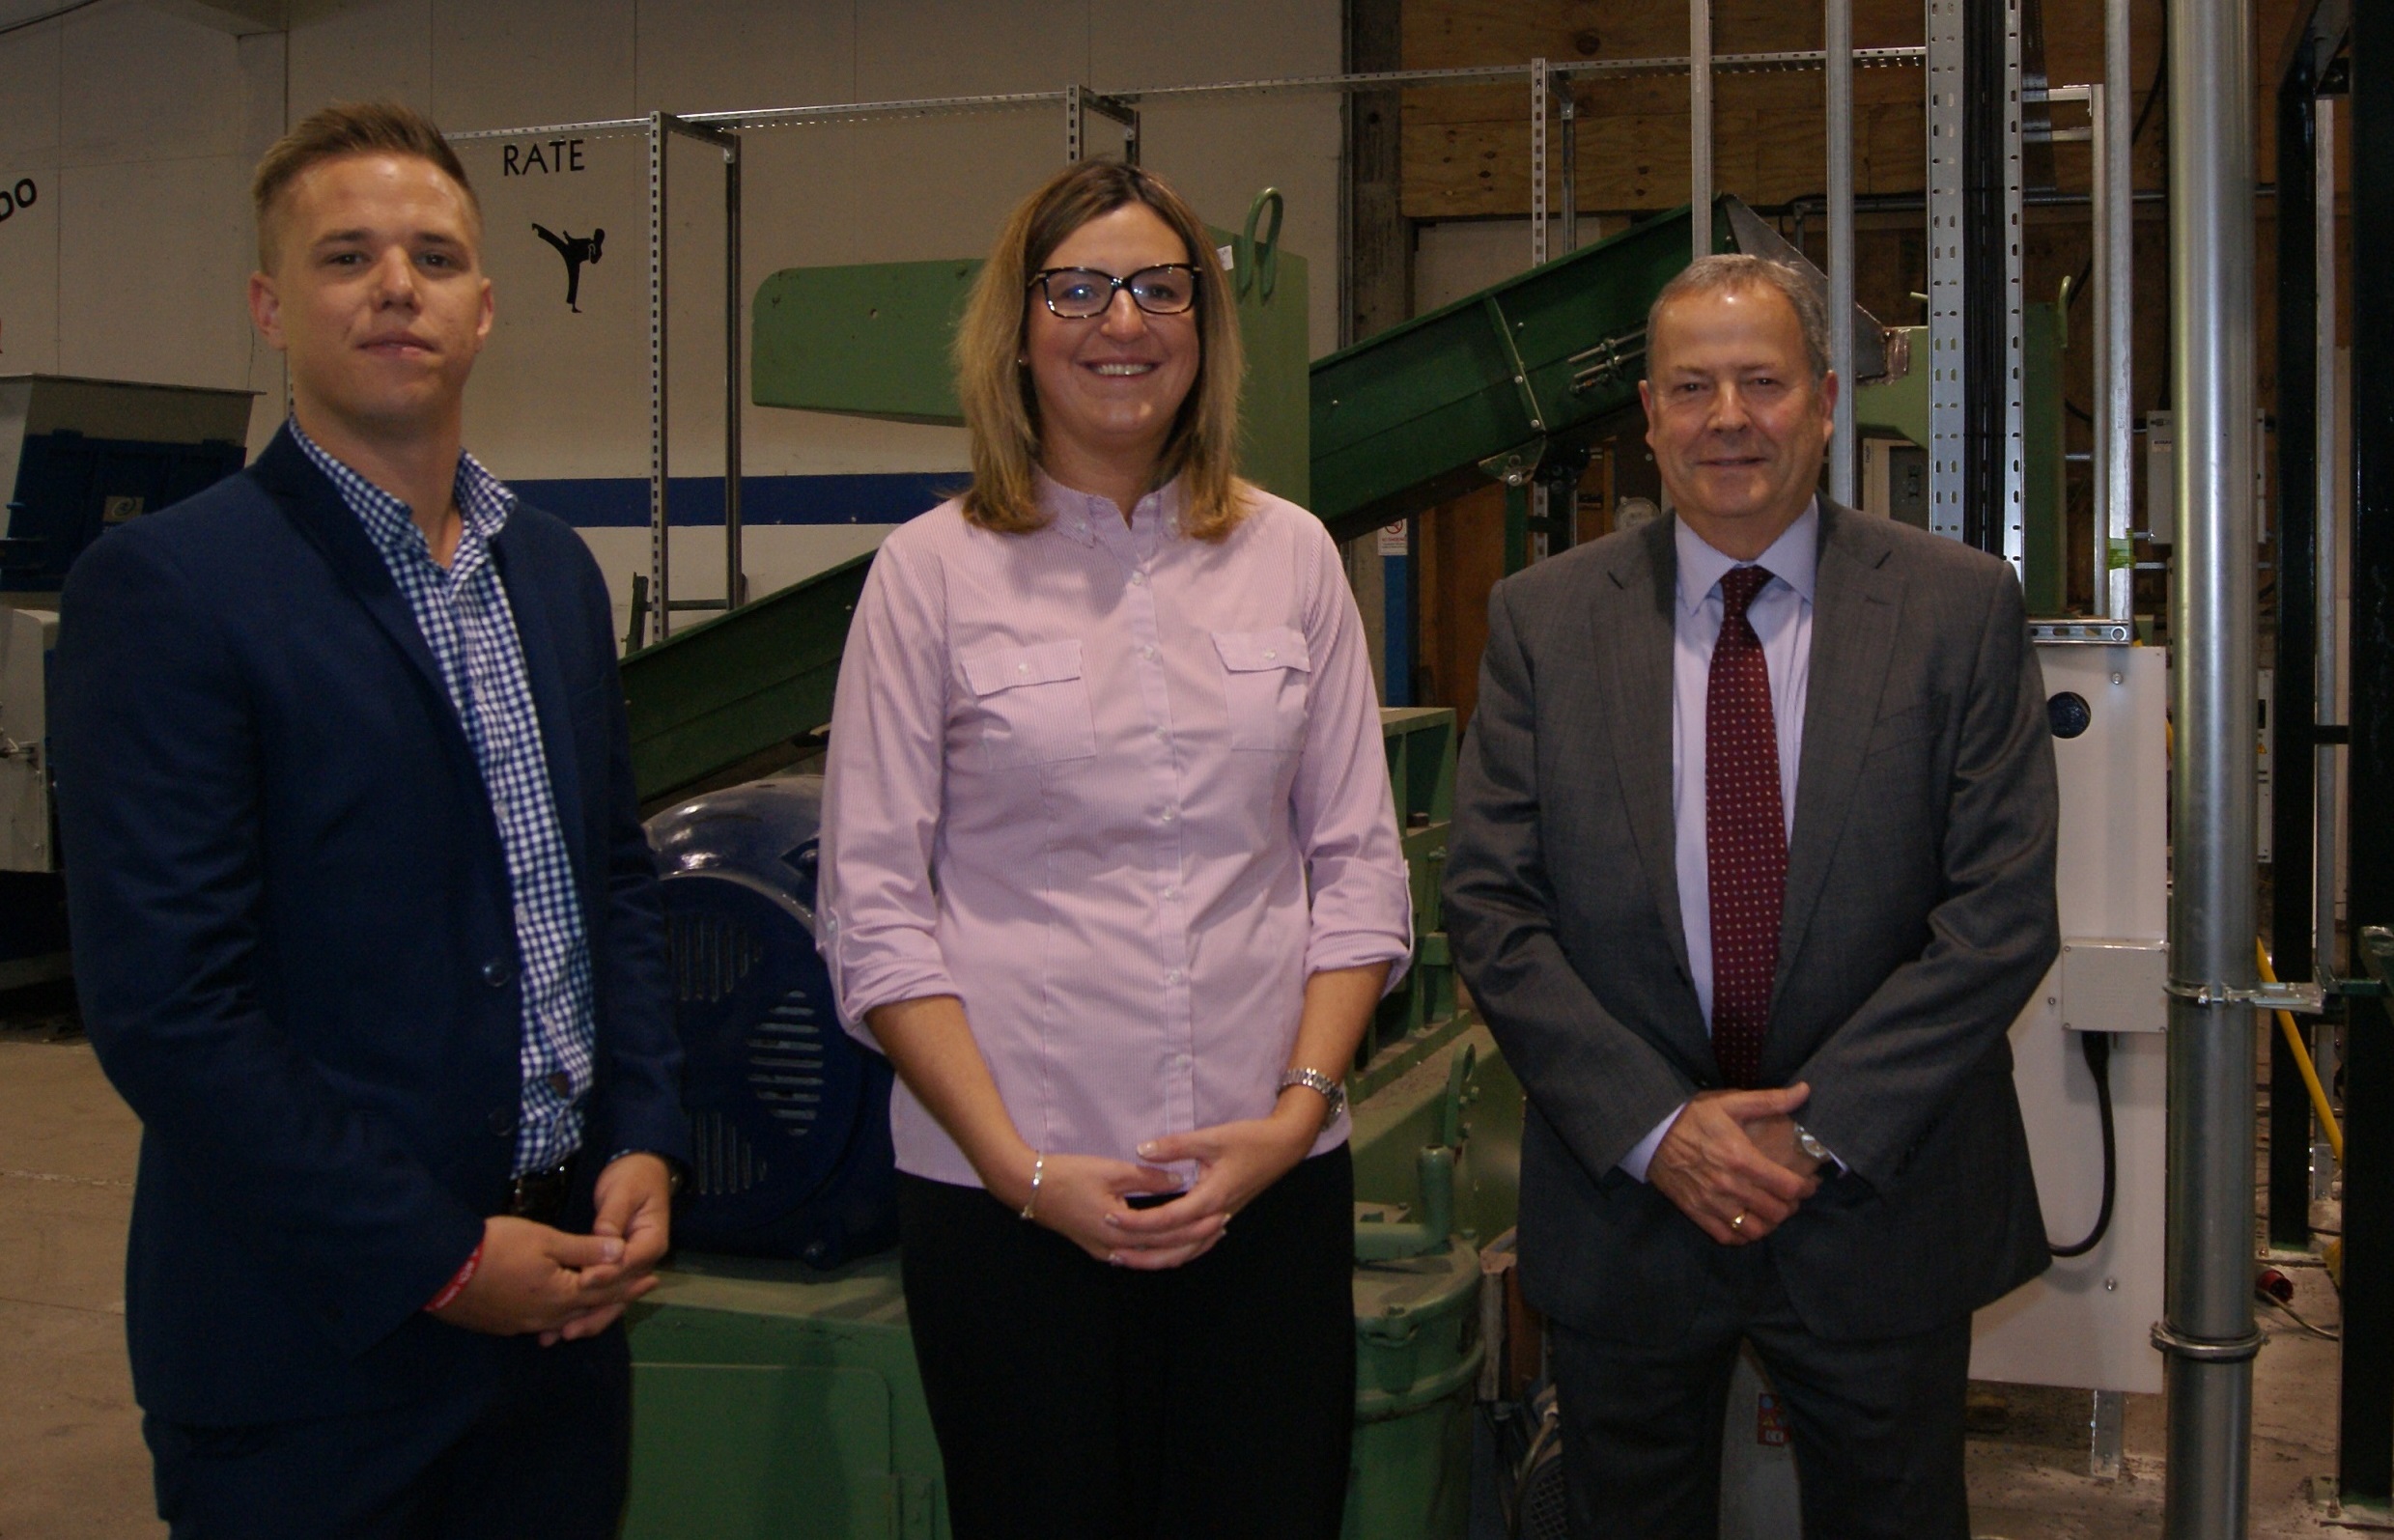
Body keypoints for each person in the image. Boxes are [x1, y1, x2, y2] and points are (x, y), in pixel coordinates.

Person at [53, 100, 687, 1539]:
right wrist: (443, 1258)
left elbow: (612, 881)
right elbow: (169, 1008)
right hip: (314, 1357)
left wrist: (644, 1133)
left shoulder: (553, 573)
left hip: (567, 1316)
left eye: (433, 255)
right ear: (273, 308)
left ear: (483, 305)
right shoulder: (168, 590)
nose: (396, 285)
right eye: (347, 257)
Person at [819, 159, 1412, 1540]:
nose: (1120, 323)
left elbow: (1358, 874)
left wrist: (1291, 1118)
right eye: (1077, 289)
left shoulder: (1294, 558)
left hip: (1262, 1197)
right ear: (1018, 330)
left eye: (1158, 288)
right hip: (1005, 1212)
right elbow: (873, 909)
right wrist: (1024, 1172)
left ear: (1204, 330)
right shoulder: (930, 575)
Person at [1443, 253, 2059, 1539]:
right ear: (1653, 417)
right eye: (1693, 386)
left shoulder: (1956, 610)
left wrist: (1813, 1129)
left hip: (1876, 1204)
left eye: (1763, 382)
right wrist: (1661, 1130)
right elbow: (1493, 909)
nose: (1729, 416)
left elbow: (1999, 911)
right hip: (1629, 1209)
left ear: (1827, 402)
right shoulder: (1542, 622)